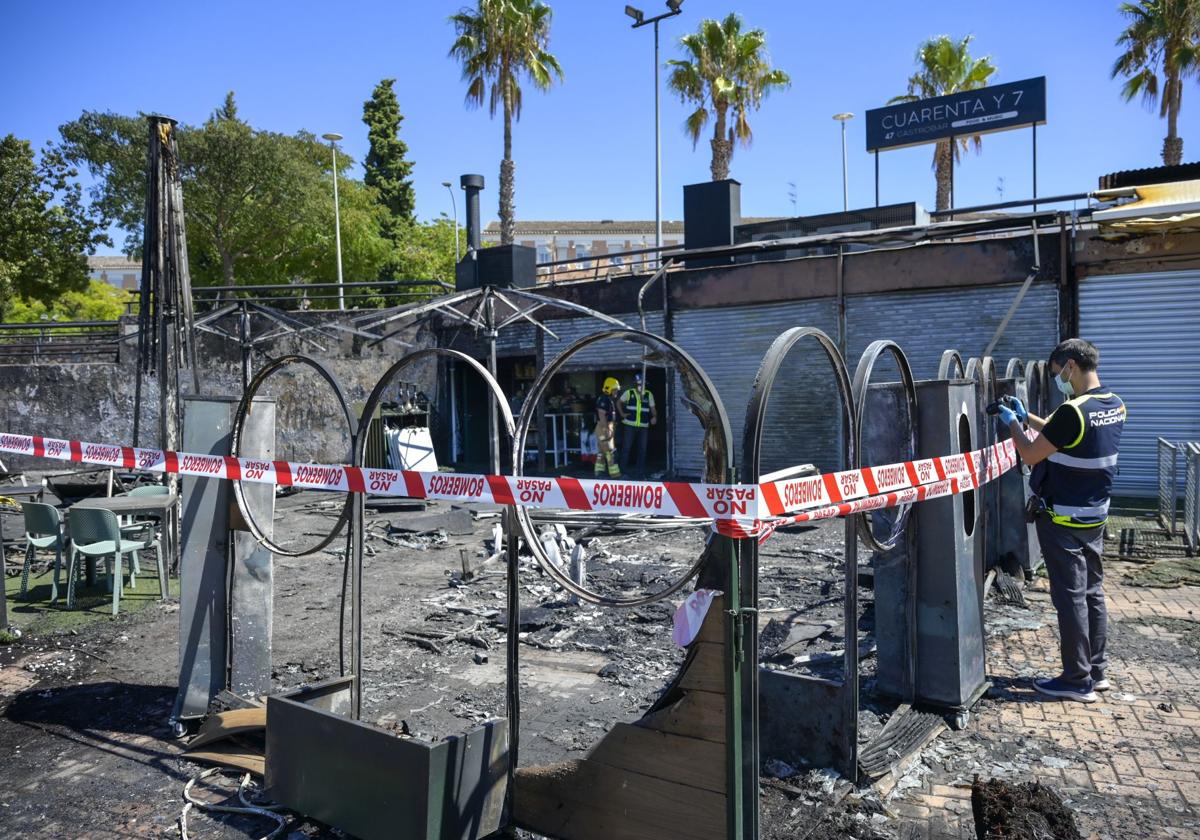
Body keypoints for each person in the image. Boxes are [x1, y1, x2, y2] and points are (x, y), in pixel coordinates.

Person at [998, 338, 1125, 704]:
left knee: (1069, 598)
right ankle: (1096, 671)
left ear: (1070, 365)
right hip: (1094, 517)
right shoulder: (1114, 405)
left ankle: (1075, 679)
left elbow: (1034, 453)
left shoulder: (1074, 411)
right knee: (1092, 593)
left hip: (1063, 520)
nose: (1059, 381)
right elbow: (1066, 437)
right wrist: (1028, 418)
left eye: (1058, 374)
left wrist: (1013, 427)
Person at [618, 373, 657, 478]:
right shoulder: (629, 393)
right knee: (626, 448)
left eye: (642, 384)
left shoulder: (649, 395)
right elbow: (619, 402)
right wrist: (622, 414)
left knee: (642, 450)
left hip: (643, 426)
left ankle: (640, 473)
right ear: (636, 384)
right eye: (639, 383)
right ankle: (623, 472)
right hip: (629, 426)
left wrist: (654, 416)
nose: (641, 386)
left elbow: (653, 409)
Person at [594, 376, 622, 479]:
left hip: (606, 427)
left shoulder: (608, 399)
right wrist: (607, 430)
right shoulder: (604, 400)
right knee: (610, 452)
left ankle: (599, 473)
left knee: (602, 451)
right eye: (615, 389)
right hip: (603, 428)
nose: (616, 392)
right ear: (609, 388)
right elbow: (602, 416)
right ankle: (615, 476)